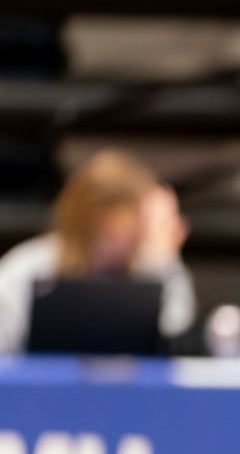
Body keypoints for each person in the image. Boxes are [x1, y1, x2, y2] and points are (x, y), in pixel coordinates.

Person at [0, 149, 196, 353]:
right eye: (132, 221)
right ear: (93, 215)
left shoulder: (148, 270)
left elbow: (175, 333)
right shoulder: (30, 266)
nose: (137, 235)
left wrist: (164, 260)